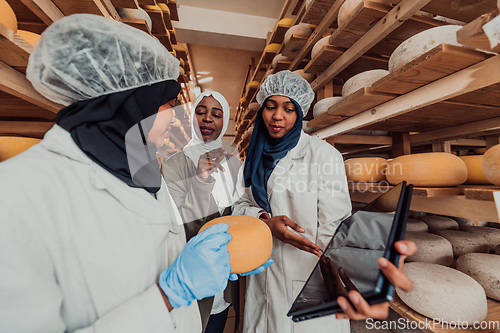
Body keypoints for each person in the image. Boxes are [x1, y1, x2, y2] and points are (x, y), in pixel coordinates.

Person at [0, 14, 266, 333]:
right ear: (129, 104)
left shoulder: (141, 171)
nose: (175, 119)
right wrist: (169, 295)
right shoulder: (16, 195)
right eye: (168, 104)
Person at [232, 70, 417, 333]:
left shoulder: (322, 155)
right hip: (260, 271)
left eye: (288, 109)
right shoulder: (252, 158)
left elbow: (336, 225)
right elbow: (239, 205)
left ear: (300, 114)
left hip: (307, 275)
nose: (277, 116)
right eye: (270, 107)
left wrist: (336, 275)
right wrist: (264, 221)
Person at [161, 91, 253, 332]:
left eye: (217, 114)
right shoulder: (174, 165)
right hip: (192, 278)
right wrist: (200, 180)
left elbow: (241, 210)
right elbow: (179, 224)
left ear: (225, 122)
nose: (208, 119)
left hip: (225, 280)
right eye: (201, 112)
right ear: (192, 118)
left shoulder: (234, 164)